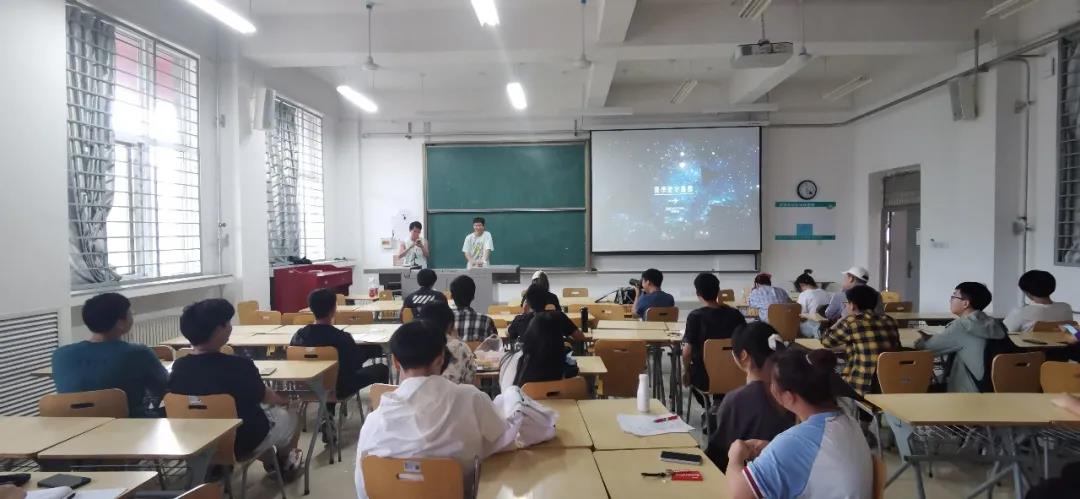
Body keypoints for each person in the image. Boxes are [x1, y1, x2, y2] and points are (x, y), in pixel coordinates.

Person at [355, 321, 513, 499]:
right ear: (441, 358)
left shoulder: (373, 422)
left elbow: (363, 489)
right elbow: (506, 440)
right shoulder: (471, 399)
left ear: (395, 362)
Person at [168, 299, 302, 478]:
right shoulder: (240, 366)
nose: (231, 327)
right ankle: (285, 465)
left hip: (197, 441)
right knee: (290, 416)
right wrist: (286, 401)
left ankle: (263, 461)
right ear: (218, 330)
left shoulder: (179, 367)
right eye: (228, 322)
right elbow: (266, 397)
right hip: (241, 441)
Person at [726, 349, 873, 499]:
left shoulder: (797, 441)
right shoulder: (848, 421)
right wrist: (773, 451)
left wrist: (735, 457)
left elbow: (741, 494)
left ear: (789, 397)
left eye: (772, 383)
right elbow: (812, 458)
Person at [52, 293, 167, 418]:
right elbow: (164, 388)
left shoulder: (60, 355)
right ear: (120, 323)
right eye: (130, 313)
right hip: (129, 424)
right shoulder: (138, 353)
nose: (132, 315)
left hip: (74, 425)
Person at [705, 322, 794, 470]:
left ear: (743, 356)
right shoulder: (794, 392)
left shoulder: (737, 400)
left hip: (746, 477)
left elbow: (719, 456)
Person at [289, 288, 390, 404]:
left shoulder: (299, 336)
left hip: (307, 388)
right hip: (339, 390)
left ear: (311, 309)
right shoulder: (342, 337)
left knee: (334, 373)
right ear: (334, 309)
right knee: (382, 369)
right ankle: (380, 408)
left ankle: (328, 413)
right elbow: (355, 365)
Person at [914, 282, 1008, 393]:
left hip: (966, 392)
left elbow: (925, 349)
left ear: (965, 303)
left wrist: (922, 340)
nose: (950, 300)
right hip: (996, 389)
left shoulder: (962, 326)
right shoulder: (996, 324)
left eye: (954, 296)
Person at [820, 284, 901, 397]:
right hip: (891, 383)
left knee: (827, 378)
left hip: (862, 386)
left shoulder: (851, 322)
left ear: (853, 305)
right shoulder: (890, 320)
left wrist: (842, 319)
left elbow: (826, 341)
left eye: (847, 303)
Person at [681, 273, 747, 397]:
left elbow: (686, 352)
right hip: (736, 373)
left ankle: (708, 404)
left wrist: (685, 371)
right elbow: (745, 342)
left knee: (690, 371)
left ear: (698, 293)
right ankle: (720, 401)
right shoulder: (735, 314)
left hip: (705, 378)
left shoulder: (695, 317)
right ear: (718, 291)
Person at [499, 312, 580, 392]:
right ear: (559, 337)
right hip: (558, 398)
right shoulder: (563, 358)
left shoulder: (519, 360)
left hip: (527, 396)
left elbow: (508, 390)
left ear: (529, 334)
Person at [417, 300, 476, 385]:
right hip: (454, 392)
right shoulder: (460, 347)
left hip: (419, 392)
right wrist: (457, 339)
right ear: (450, 325)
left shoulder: (413, 344)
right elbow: (470, 378)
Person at [507, 284, 584, 345]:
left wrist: (522, 315)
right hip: (555, 360)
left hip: (529, 360)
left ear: (527, 302)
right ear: (547, 299)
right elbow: (580, 337)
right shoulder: (559, 316)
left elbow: (510, 335)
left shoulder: (519, 320)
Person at [1003, 270, 1073, 332]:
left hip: (1029, 343)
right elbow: (1071, 330)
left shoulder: (1020, 312)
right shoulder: (1066, 308)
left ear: (1027, 292)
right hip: (1062, 343)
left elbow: (1005, 332)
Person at [450, 275, 499, 342]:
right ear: (473, 297)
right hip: (477, 349)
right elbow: (496, 345)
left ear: (451, 296)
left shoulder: (444, 320)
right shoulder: (486, 321)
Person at [795, 270, 831, 338]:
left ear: (801, 285)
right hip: (826, 327)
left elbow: (799, 313)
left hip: (811, 329)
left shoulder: (804, 294)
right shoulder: (825, 293)